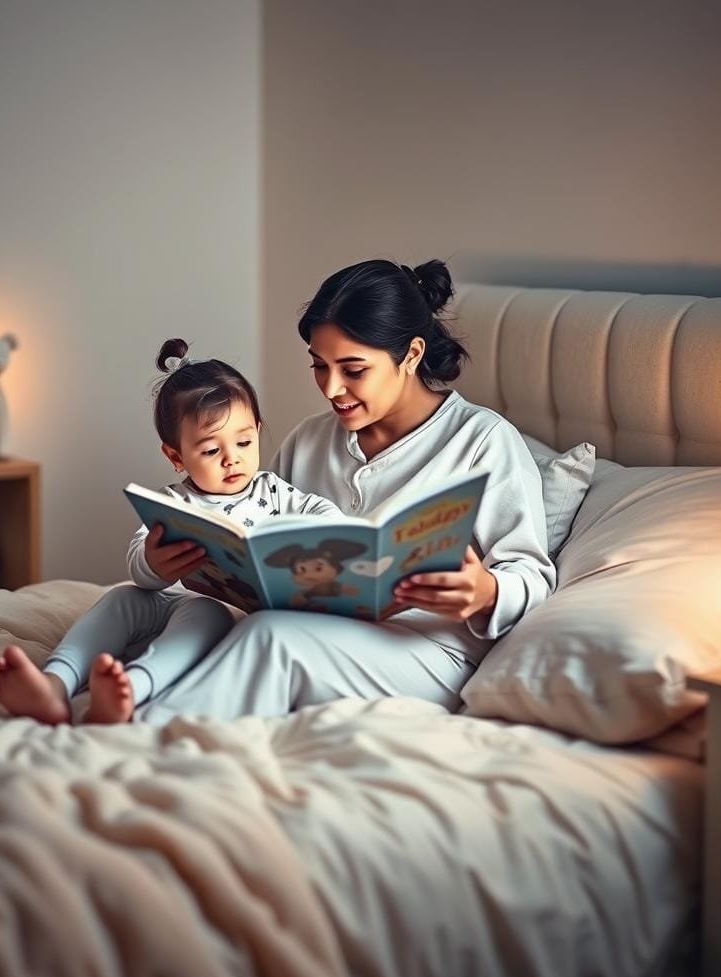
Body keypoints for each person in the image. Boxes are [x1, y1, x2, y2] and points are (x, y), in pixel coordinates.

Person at [135, 258, 556, 724]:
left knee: (274, 637)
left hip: (426, 654)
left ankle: (135, 734)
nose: (332, 388)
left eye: (353, 370)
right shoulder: (310, 439)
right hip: (313, 630)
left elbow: (533, 572)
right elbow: (256, 536)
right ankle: (92, 685)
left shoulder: (482, 440)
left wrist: (486, 591)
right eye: (319, 366)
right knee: (152, 607)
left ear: (412, 355)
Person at [0, 338, 341, 725]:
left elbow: (320, 511)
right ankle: (54, 683)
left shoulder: (274, 491)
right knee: (121, 598)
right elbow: (140, 558)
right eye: (210, 451)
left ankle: (131, 689)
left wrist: (327, 531)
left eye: (244, 441)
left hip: (220, 614)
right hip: (168, 600)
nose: (232, 458)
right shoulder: (174, 502)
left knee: (205, 612)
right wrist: (154, 563)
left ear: (258, 430)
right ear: (176, 456)